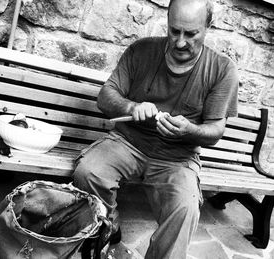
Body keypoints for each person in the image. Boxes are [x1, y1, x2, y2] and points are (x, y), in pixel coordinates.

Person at [73, 0, 239, 258]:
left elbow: (215, 131)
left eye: (191, 34)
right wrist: (131, 107)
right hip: (127, 143)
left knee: (185, 210)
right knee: (88, 172)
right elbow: (105, 96)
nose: (181, 42)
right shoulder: (142, 50)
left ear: (208, 26)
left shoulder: (222, 69)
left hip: (177, 158)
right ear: (168, 21)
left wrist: (190, 131)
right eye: (174, 31)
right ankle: (108, 224)